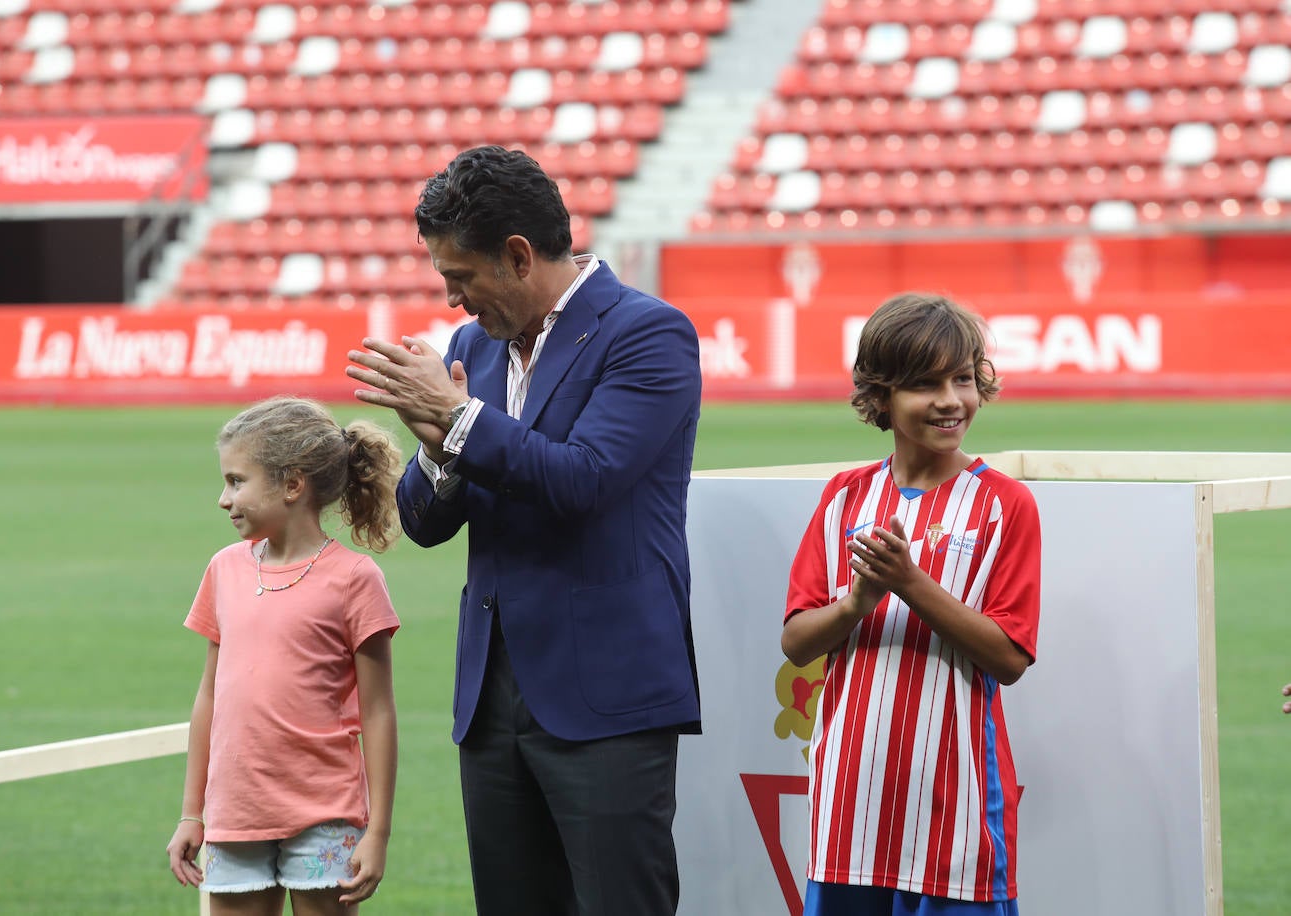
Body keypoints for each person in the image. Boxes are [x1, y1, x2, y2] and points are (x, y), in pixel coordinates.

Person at [345, 144, 702, 916]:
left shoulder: (648, 333)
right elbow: (422, 519)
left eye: (461, 278)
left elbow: (584, 480)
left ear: (516, 256)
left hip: (605, 695)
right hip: (492, 697)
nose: (452, 303)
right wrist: (439, 447)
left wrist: (456, 419)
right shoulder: (474, 348)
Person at [781, 293, 1041, 916]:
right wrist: (854, 605)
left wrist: (909, 582)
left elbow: (1008, 658)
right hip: (851, 797)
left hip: (959, 799)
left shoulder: (1005, 505)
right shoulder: (845, 497)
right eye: (925, 384)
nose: (951, 400)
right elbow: (796, 640)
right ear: (880, 397)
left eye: (963, 379)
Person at [165, 396, 402, 914]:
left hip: (326, 815)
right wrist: (192, 813)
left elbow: (379, 711)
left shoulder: (356, 580)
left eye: (236, 481)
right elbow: (209, 696)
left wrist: (377, 831)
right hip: (236, 811)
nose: (223, 500)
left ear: (293, 485)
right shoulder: (223, 569)